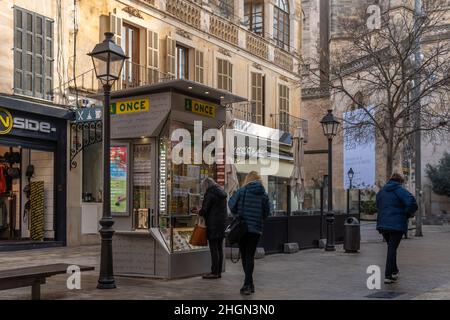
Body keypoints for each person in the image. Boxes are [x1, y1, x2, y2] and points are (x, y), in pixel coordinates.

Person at [228, 171, 271, 295]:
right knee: (250, 255)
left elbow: (231, 204)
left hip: (242, 228)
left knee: (245, 256)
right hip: (256, 229)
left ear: (248, 179)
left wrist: (237, 214)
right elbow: (267, 213)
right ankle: (249, 284)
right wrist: (258, 218)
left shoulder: (242, 191)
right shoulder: (263, 194)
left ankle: (247, 284)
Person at [376, 173, 418, 284]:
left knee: (391, 247)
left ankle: (394, 271)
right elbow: (412, 202)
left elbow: (378, 206)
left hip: (383, 224)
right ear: (400, 181)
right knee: (392, 249)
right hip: (396, 224)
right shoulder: (400, 190)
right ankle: (388, 275)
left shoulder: (381, 192)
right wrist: (407, 214)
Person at [198, 177, 228, 279]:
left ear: (206, 185)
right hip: (221, 224)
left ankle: (214, 272)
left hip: (213, 225)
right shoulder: (221, 193)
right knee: (219, 249)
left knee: (214, 249)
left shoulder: (210, 194)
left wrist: (198, 211)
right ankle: (218, 272)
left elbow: (205, 210)